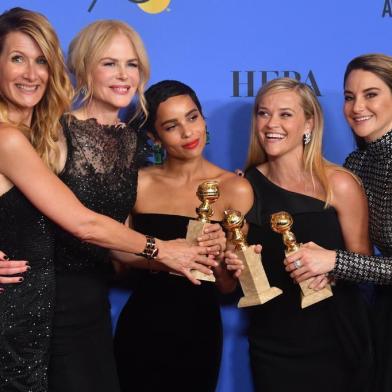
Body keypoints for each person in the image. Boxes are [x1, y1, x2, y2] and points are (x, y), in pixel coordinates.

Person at [0, 9, 217, 391]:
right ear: (83, 69)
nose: (123, 74)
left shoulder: (133, 142)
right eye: (109, 63)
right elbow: (74, 223)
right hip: (44, 302)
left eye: (131, 64)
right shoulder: (49, 129)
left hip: (93, 306)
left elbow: (115, 240)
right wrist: (163, 250)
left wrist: (187, 255)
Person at [226, 77, 373, 392]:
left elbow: (364, 265)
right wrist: (233, 266)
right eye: (263, 113)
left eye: (285, 114)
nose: (271, 124)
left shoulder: (340, 184)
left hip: (337, 336)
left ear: (309, 123)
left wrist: (332, 268)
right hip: (274, 342)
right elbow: (230, 279)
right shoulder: (243, 187)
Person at [112, 80, 253, 392]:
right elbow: (118, 262)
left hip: (198, 328)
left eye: (192, 117)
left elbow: (228, 286)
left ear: (203, 118)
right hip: (142, 325)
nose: (188, 133)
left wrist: (217, 257)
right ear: (154, 136)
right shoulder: (138, 183)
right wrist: (164, 257)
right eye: (172, 126)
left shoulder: (235, 188)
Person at [284, 54, 392, 392]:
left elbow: (344, 257)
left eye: (371, 94)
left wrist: (335, 261)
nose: (357, 106)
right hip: (381, 314)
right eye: (349, 96)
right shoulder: (357, 162)